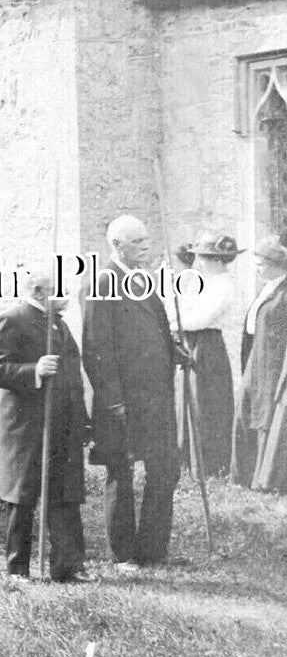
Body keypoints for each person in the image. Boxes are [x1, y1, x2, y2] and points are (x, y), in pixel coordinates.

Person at [83, 215, 183, 569]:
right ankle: (124, 553)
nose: (146, 246)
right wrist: (113, 400)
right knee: (121, 474)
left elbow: (156, 329)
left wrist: (174, 349)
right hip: (123, 403)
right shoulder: (102, 283)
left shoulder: (143, 280)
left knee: (165, 469)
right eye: (138, 241)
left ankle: (152, 551)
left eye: (146, 240)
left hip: (156, 399)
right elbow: (96, 349)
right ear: (117, 245)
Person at [0, 265, 92, 583]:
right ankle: (17, 568)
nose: (69, 296)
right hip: (26, 428)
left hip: (61, 425)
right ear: (38, 291)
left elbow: (73, 378)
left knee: (63, 495)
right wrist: (34, 369)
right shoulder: (13, 319)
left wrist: (82, 422)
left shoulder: (58, 325)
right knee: (23, 496)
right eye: (60, 290)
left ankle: (67, 566)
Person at [173, 232, 240, 477]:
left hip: (207, 345)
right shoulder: (204, 282)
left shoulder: (224, 286)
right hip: (192, 342)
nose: (200, 262)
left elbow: (198, 319)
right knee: (188, 397)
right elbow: (181, 307)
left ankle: (210, 464)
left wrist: (176, 323)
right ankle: (188, 459)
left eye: (206, 258)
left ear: (220, 261)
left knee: (206, 402)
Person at [233, 235, 287, 491]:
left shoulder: (284, 292)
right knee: (246, 408)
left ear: (278, 264)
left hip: (274, 362)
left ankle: (265, 480)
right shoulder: (266, 288)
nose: (257, 267)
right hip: (257, 356)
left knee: (266, 415)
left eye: (262, 262)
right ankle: (242, 475)